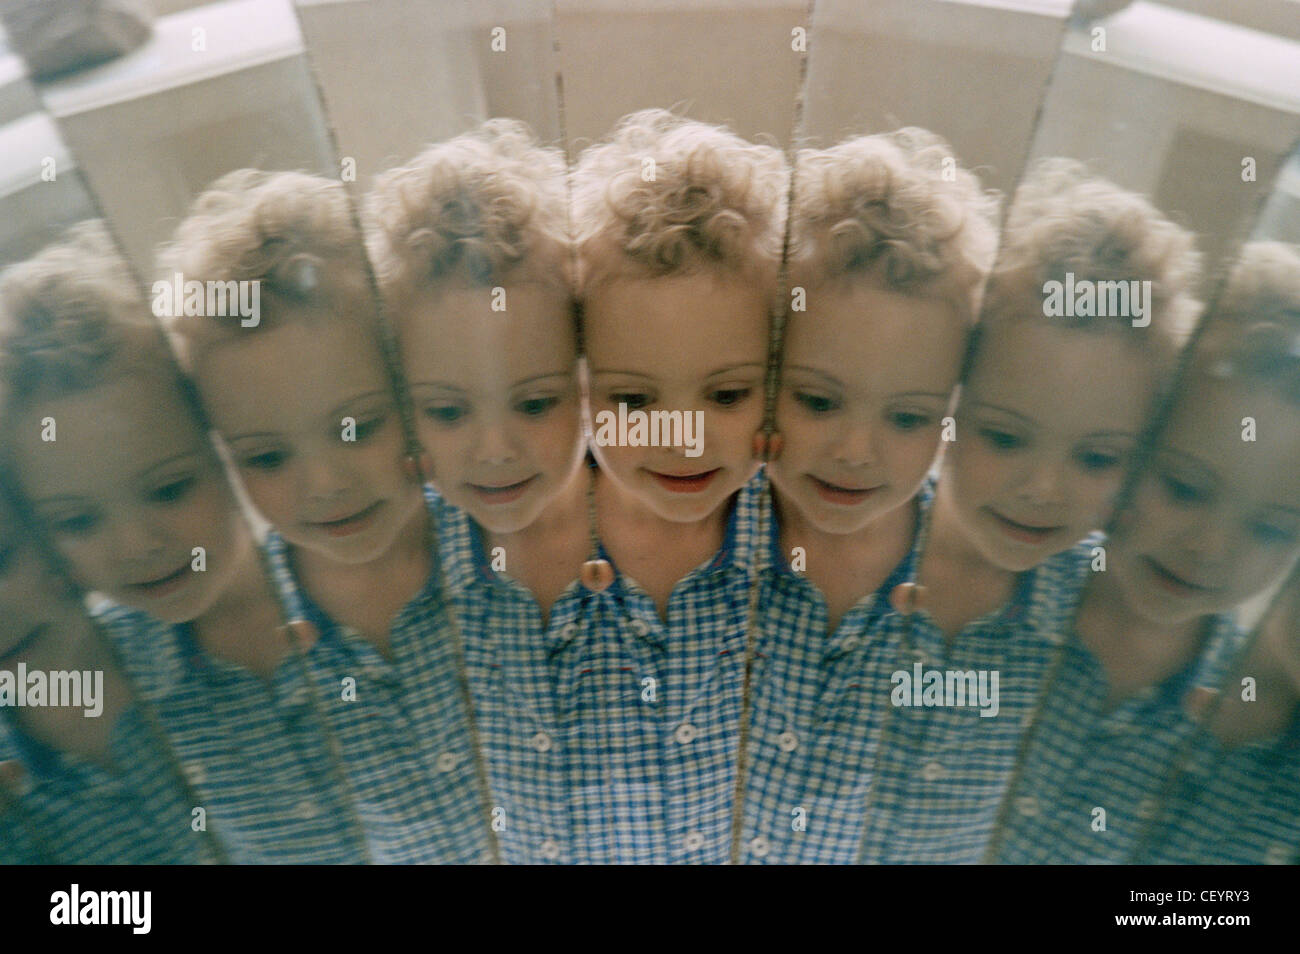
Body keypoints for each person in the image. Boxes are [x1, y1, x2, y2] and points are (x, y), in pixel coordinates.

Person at [564, 108, 786, 862]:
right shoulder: (520, 541)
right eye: (633, 402)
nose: (682, 437)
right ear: (581, 388)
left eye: (725, 396)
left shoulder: (800, 544)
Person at [364, 119, 586, 862]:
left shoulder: (666, 520)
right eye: (448, 411)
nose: (495, 451)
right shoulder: (407, 564)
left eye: (534, 403)